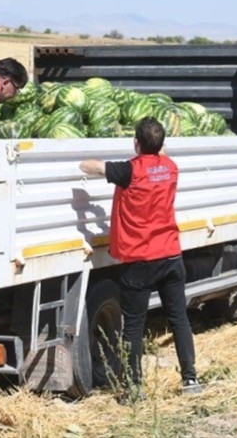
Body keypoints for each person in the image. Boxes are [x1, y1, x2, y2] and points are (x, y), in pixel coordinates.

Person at [78, 117, 202, 398]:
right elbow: (160, 153)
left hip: (141, 261)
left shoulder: (128, 171)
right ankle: (190, 380)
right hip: (170, 255)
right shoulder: (170, 168)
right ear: (161, 145)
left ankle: (134, 388)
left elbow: (90, 166)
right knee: (179, 319)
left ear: (136, 143)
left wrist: (81, 164)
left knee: (133, 326)